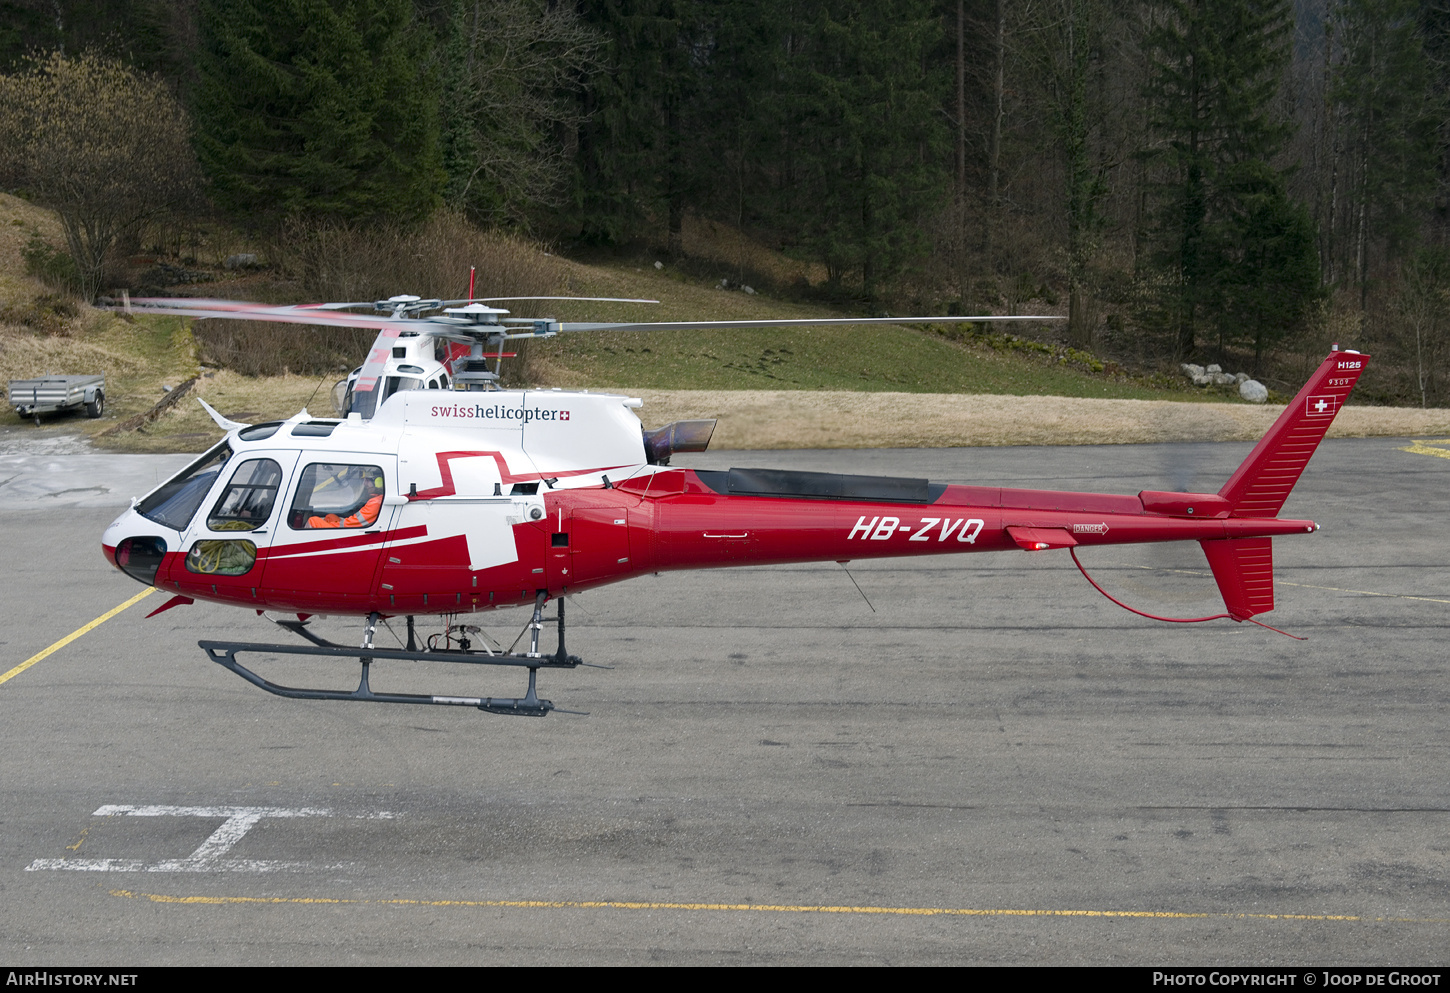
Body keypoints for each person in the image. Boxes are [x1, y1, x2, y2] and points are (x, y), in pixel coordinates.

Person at [307, 474, 384, 529]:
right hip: (353, 527)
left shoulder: (375, 503)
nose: (365, 484)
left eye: (367, 481)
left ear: (377, 484)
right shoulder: (377, 499)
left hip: (351, 533)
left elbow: (353, 523)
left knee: (313, 520)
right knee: (330, 516)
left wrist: (332, 526)